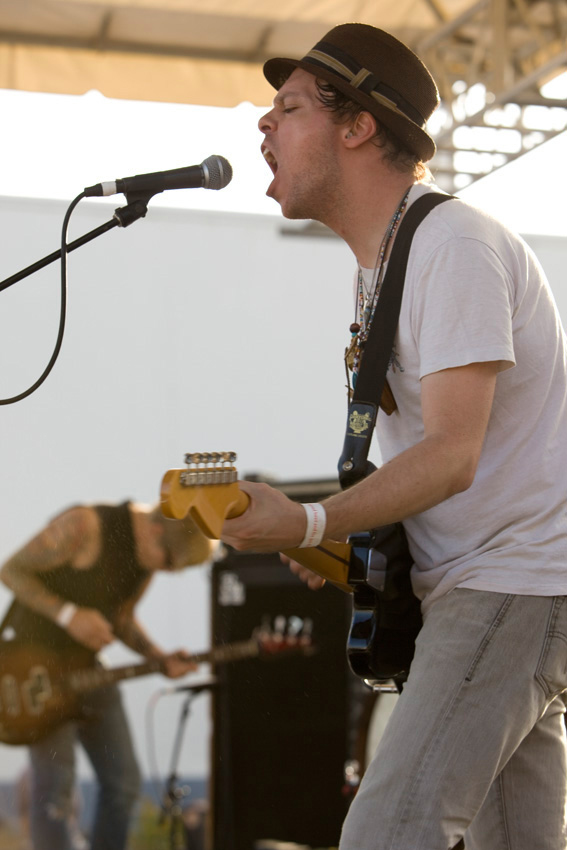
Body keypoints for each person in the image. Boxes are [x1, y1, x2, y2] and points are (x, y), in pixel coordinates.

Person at [219, 22, 567, 850]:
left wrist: (313, 518)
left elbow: (451, 453)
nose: (263, 124)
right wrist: (344, 535)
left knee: (388, 832)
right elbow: (432, 460)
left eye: (289, 108)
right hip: (497, 584)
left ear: (357, 126)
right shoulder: (387, 261)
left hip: (508, 581)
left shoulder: (452, 245)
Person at [0, 500, 213, 850]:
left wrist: (159, 658)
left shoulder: (145, 562)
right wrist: (69, 616)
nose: (168, 571)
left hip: (88, 670)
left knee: (124, 783)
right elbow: (11, 570)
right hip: (34, 677)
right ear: (155, 530)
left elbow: (121, 619)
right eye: (170, 562)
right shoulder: (85, 525)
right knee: (54, 791)